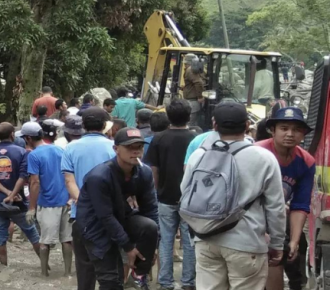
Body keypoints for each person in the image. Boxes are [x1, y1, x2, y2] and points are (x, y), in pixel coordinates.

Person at [182, 102, 287, 290]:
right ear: (247, 125)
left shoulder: (199, 155)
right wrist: (277, 243)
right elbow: (276, 206)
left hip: (205, 240)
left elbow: (185, 193)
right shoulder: (264, 157)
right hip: (246, 243)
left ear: (214, 125)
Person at [74, 128, 159, 290]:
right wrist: (128, 247)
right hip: (93, 226)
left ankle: (138, 276)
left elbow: (150, 209)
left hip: (121, 218)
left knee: (150, 227)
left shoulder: (144, 172)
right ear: (116, 149)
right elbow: (104, 216)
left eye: (139, 147)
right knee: (108, 281)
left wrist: (152, 246)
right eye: (130, 147)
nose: (136, 152)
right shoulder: (99, 176)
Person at [255, 107, 315, 290]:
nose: (290, 134)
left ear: (303, 134)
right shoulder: (255, 153)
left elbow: (300, 204)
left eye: (296, 129)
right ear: (272, 130)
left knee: (276, 271)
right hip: (246, 222)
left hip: (276, 223)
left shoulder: (306, 162)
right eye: (284, 128)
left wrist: (294, 240)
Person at [144, 100, 196, 290]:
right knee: (189, 241)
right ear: (189, 116)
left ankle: (165, 282)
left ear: (168, 117)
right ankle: (188, 281)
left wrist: (156, 192)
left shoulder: (159, 138)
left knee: (165, 240)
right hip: (190, 199)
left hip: (165, 197)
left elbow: (154, 170)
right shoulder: (195, 138)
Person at [62, 107, 117, 289]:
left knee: (85, 267)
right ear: (104, 125)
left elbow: (69, 182)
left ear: (83, 126)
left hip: (82, 216)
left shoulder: (70, 148)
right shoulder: (115, 147)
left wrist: (86, 202)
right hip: (111, 216)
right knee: (110, 268)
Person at [0, 122, 42, 266]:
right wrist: (13, 194)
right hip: (18, 202)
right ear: (12, 134)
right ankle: (45, 267)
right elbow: (23, 176)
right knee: (33, 236)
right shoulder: (22, 152)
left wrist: (6, 193)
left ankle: (3, 268)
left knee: (0, 238)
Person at [27, 120, 74, 276]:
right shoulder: (60, 150)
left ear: (28, 138)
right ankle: (67, 274)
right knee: (67, 240)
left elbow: (34, 182)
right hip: (66, 201)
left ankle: (44, 275)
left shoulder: (33, 155)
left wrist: (31, 208)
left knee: (45, 242)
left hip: (47, 203)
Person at [184, 56, 207, 127]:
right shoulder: (198, 69)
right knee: (194, 122)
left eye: (185, 63)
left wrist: (200, 96)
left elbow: (198, 83)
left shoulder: (190, 70)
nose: (184, 65)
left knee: (190, 124)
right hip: (194, 100)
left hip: (193, 101)